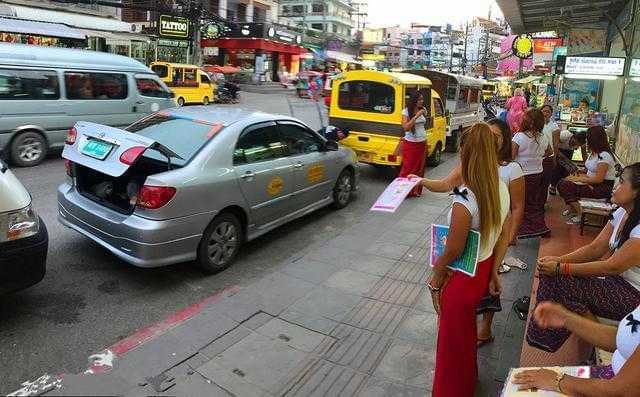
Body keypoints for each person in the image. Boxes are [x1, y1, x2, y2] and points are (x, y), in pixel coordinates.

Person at [415, 123, 511, 397]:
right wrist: (493, 273)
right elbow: (502, 235)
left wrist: (437, 272)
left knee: (450, 344)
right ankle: (467, 381)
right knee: (465, 336)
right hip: (480, 273)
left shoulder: (466, 199)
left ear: (466, 153)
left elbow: (455, 247)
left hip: (460, 279)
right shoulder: (499, 188)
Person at [527, 163, 640, 353]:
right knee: (555, 276)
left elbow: (611, 267)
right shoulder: (622, 212)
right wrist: (558, 260)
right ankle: (547, 331)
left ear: (637, 192)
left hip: (632, 296)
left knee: (562, 282)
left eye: (621, 182)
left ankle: (548, 334)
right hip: (616, 282)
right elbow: (595, 248)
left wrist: (560, 268)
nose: (615, 186)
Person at [514, 301, 640, 394]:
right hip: (612, 377)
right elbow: (625, 340)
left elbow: (619, 392)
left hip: (613, 388)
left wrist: (557, 380)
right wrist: (565, 318)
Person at [558, 125, 617, 224]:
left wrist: (578, 180)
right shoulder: (595, 153)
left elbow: (599, 179)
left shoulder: (604, 156)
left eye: (588, 139)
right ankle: (574, 209)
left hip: (600, 188)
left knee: (564, 185)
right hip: (592, 183)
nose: (586, 141)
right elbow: (589, 167)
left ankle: (580, 214)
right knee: (562, 183)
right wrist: (580, 173)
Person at [512, 108, 553, 238]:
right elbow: (550, 152)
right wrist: (537, 157)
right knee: (532, 202)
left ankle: (525, 228)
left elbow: (512, 156)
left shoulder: (519, 137)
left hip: (521, 175)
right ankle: (538, 226)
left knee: (519, 203)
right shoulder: (543, 137)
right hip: (537, 174)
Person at [399, 91, 428, 197]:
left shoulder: (423, 110)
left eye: (422, 99)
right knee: (408, 168)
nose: (422, 101)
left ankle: (416, 190)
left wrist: (422, 113)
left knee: (419, 168)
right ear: (414, 100)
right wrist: (416, 116)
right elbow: (406, 128)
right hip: (411, 144)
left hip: (422, 143)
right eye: (419, 99)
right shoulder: (406, 111)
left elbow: (425, 121)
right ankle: (402, 191)